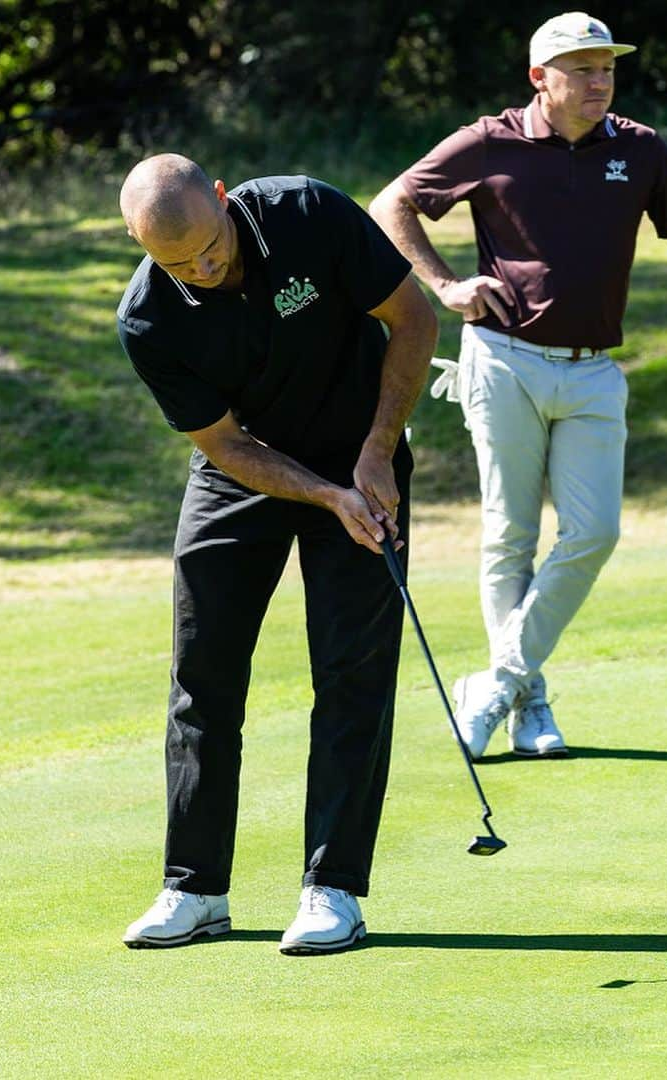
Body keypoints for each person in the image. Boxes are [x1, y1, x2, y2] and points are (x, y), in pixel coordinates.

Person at [370, 11, 667, 761]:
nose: (600, 82)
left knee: (595, 531)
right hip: (502, 360)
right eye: (582, 70)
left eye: (607, 69)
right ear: (541, 78)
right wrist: (446, 286)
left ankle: (495, 683)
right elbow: (392, 203)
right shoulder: (489, 141)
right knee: (511, 535)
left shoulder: (641, 151)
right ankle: (529, 702)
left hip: (594, 370)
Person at [116, 154, 437, 954]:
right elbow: (222, 441)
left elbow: (415, 318)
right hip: (242, 471)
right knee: (204, 678)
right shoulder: (149, 317)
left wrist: (373, 455)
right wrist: (321, 495)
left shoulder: (306, 213)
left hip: (360, 454)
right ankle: (195, 889)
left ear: (223, 199)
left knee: (351, 673)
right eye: (178, 262)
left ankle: (333, 889)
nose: (204, 269)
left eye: (211, 248)